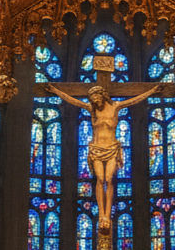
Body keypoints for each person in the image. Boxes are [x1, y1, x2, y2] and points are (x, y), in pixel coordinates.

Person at [43, 81, 165, 231]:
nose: (96, 103)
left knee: (109, 179)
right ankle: (102, 214)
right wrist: (55, 90)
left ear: (103, 96)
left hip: (112, 148)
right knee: (100, 179)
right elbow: (72, 100)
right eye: (93, 101)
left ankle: (108, 213)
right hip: (96, 149)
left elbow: (134, 99)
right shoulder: (91, 109)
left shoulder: (115, 107)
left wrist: (152, 91)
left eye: (98, 100)